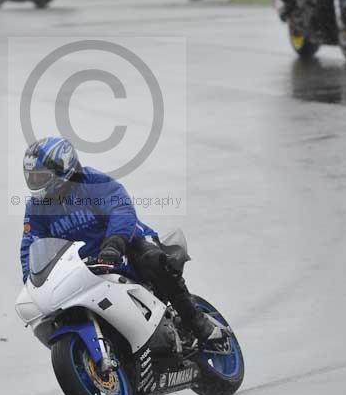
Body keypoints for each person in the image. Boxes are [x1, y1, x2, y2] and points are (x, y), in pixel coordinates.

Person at [19, 136, 225, 346]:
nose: (35, 183)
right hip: (82, 267)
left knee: (154, 261)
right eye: (32, 178)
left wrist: (114, 243)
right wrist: (34, 283)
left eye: (40, 177)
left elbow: (121, 210)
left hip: (124, 244)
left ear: (63, 169)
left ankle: (198, 323)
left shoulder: (94, 183)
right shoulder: (35, 208)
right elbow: (31, 245)